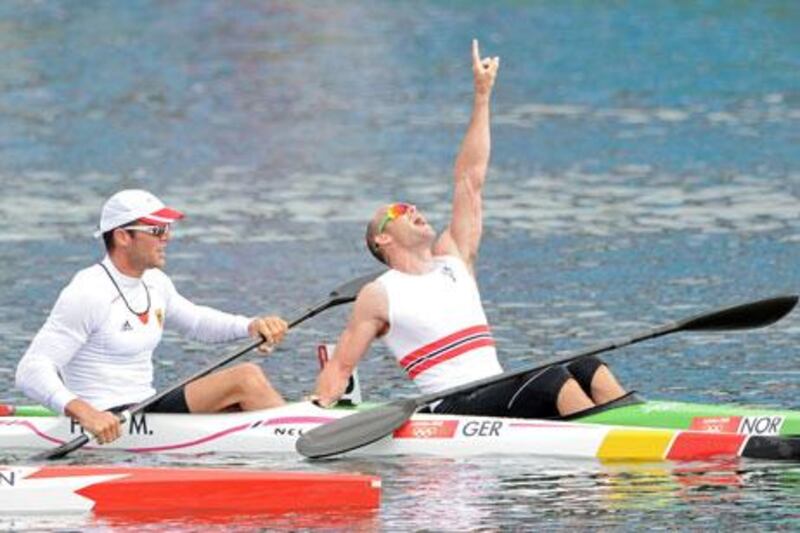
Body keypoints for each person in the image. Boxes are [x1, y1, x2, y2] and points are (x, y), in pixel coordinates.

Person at [313, 40, 627, 419]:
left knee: (587, 366)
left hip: (496, 390)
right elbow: (341, 368)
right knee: (550, 379)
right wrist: (312, 416)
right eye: (398, 210)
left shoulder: (453, 256)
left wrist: (482, 97)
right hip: (454, 405)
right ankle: (611, 463)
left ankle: (639, 431)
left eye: (411, 205)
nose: (412, 208)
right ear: (382, 238)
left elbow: (470, 179)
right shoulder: (378, 295)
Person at [16, 189, 289, 445]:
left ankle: (296, 437)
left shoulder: (155, 283)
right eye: (157, 230)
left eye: (167, 229)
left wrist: (251, 325)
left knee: (239, 400)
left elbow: (196, 322)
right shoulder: (88, 292)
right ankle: (302, 443)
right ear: (123, 236)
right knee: (246, 378)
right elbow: (31, 370)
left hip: (144, 407)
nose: (166, 237)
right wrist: (86, 413)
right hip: (106, 421)